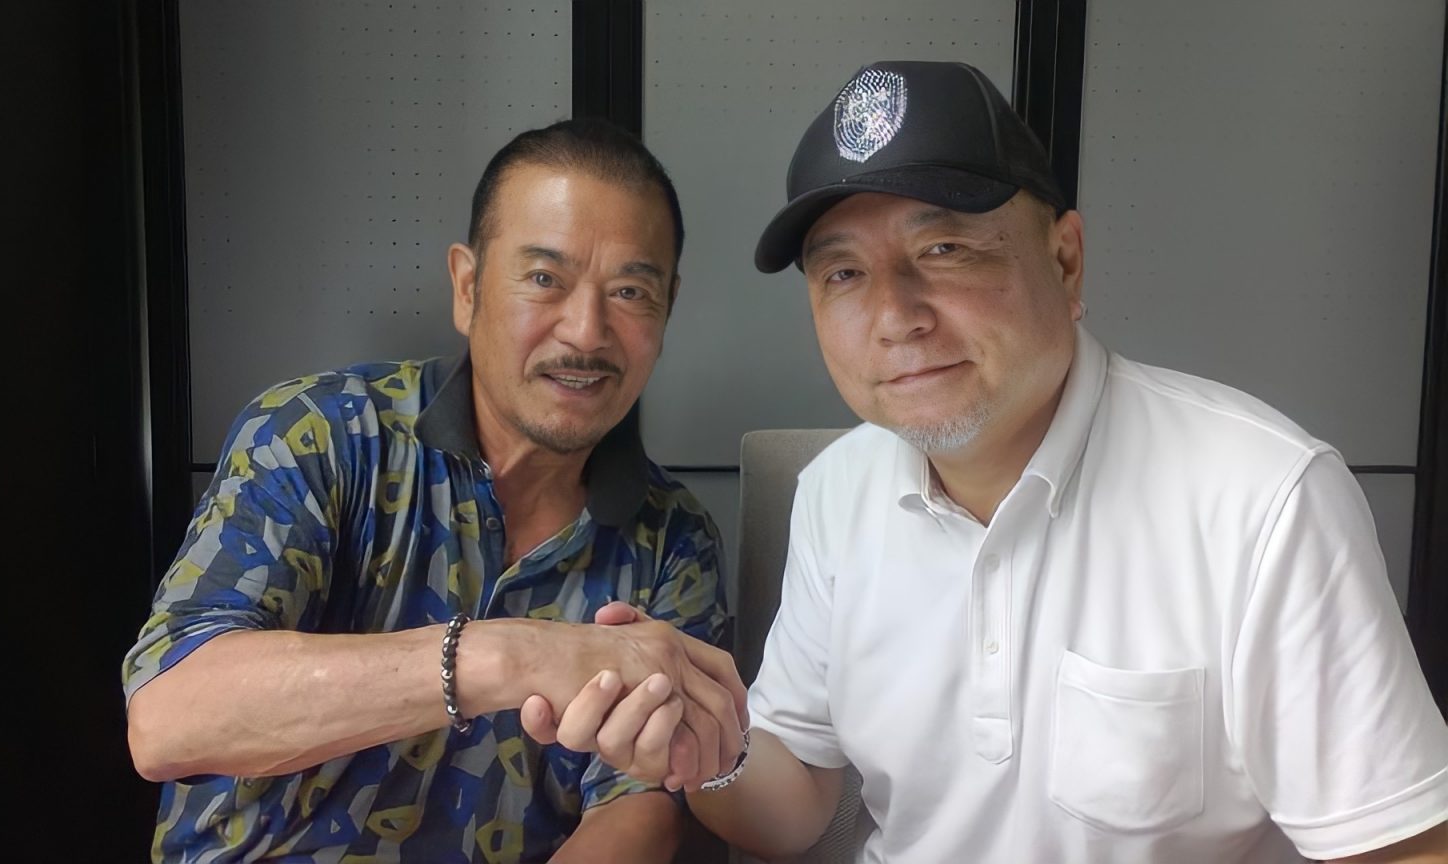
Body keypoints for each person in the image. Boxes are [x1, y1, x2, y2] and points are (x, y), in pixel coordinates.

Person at [529, 62, 1448, 862]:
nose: (896, 316)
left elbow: (1405, 844)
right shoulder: (837, 493)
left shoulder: (1262, 498)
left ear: (1066, 261)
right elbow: (797, 803)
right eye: (843, 272)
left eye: (945, 249)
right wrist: (709, 751)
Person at [122, 117, 748, 864]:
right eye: (544, 279)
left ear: (667, 309)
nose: (586, 332)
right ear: (467, 286)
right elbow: (168, 719)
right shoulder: (323, 434)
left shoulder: (672, 536)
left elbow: (637, 804)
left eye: (630, 291)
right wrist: (506, 657)